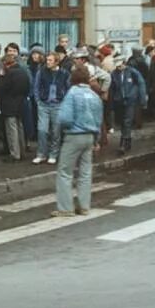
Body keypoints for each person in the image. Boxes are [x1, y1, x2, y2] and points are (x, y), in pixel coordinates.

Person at [53, 65, 103, 217]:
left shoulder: (72, 93)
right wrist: (96, 139)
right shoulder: (94, 95)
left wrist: (61, 131)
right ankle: (84, 206)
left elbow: (64, 118)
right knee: (85, 173)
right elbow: (99, 119)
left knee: (65, 172)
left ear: (73, 78)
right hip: (90, 136)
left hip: (74, 135)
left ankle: (66, 208)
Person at [33, 52, 69, 165]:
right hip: (44, 104)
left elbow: (68, 88)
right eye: (47, 60)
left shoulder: (64, 73)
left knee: (56, 131)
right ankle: (41, 154)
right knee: (42, 130)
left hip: (58, 104)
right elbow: (36, 87)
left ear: (56, 62)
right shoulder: (41, 71)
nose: (47, 62)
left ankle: (53, 154)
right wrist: (38, 101)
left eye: (50, 60)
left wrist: (64, 102)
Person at [0, 52, 31, 162]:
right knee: (20, 127)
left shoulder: (7, 75)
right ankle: (22, 151)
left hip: (9, 104)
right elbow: (27, 88)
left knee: (11, 130)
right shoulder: (23, 72)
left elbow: (0, 89)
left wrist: (1, 77)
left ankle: (15, 154)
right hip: (20, 103)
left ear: (6, 64)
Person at [110, 56, 147, 154]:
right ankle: (128, 140)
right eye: (117, 66)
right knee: (122, 121)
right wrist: (112, 101)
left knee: (127, 120)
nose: (119, 67)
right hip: (119, 101)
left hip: (131, 100)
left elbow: (141, 83)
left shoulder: (132, 72)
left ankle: (123, 142)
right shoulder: (114, 74)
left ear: (124, 63)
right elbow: (112, 89)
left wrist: (142, 99)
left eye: (120, 65)